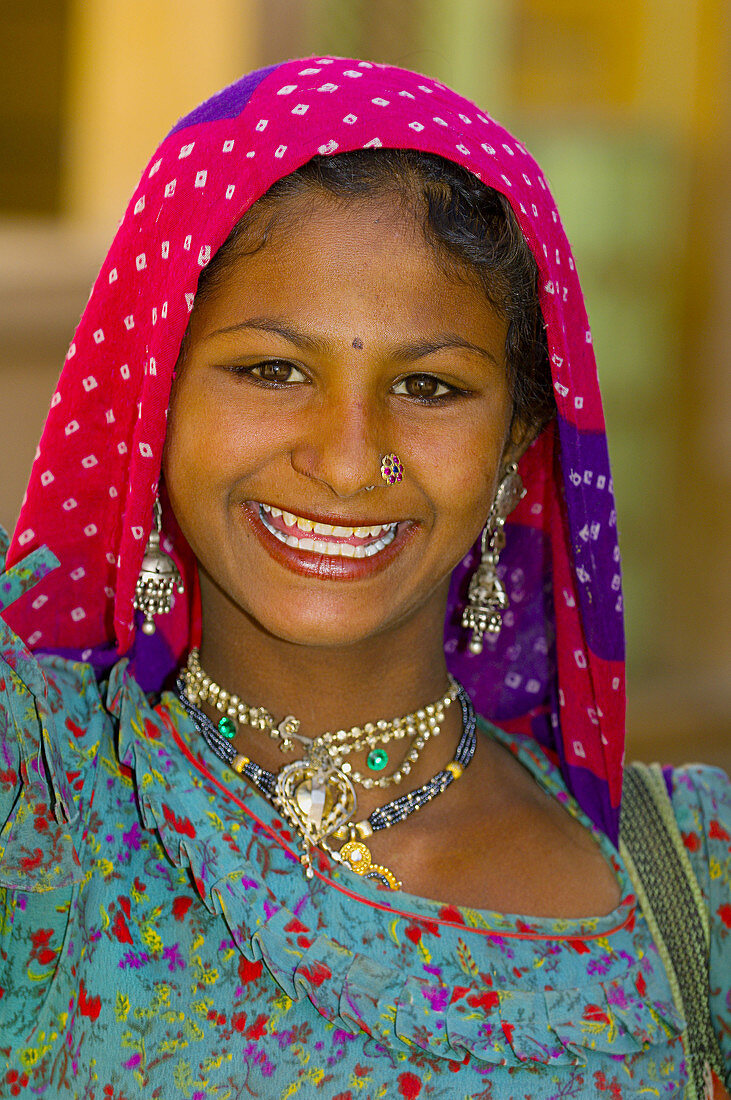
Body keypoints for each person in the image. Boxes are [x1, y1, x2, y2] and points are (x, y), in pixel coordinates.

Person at [0, 56, 728, 1099]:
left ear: (515, 443)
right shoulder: (42, 806)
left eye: (428, 386)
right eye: (272, 370)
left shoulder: (692, 886)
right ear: (155, 394)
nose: (348, 460)